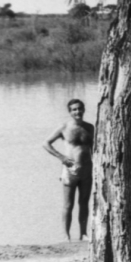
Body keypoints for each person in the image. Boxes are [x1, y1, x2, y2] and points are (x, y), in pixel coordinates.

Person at [43, 98, 94, 240]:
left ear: (84, 109)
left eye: (80, 108)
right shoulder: (64, 127)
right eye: (74, 109)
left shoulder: (90, 127)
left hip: (86, 169)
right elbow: (46, 143)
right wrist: (62, 157)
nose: (77, 112)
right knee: (68, 204)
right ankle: (66, 236)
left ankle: (83, 234)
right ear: (70, 112)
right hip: (70, 170)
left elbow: (95, 148)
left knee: (84, 203)